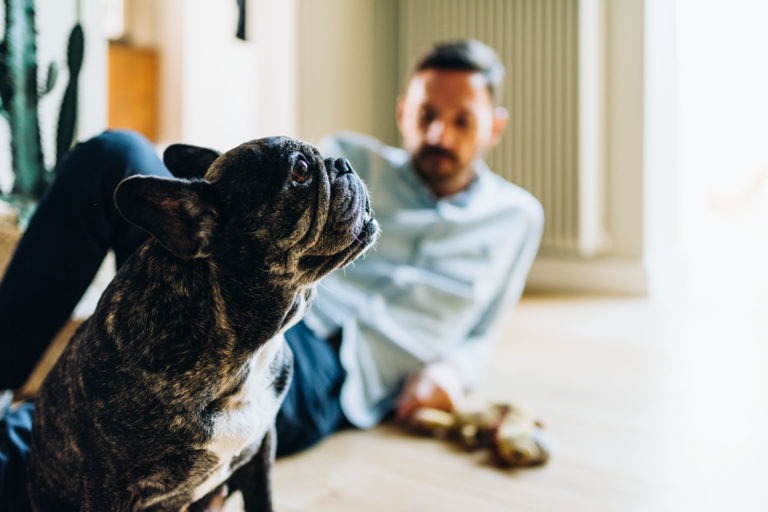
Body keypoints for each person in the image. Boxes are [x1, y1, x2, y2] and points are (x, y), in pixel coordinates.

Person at [0, 39, 543, 508]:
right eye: (427, 115)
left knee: (65, 453)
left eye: (462, 121)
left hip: (328, 376)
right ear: (404, 111)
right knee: (113, 153)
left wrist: (450, 373)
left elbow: (480, 335)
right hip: (254, 296)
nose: (440, 135)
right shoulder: (352, 161)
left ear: (495, 127)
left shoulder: (516, 218)